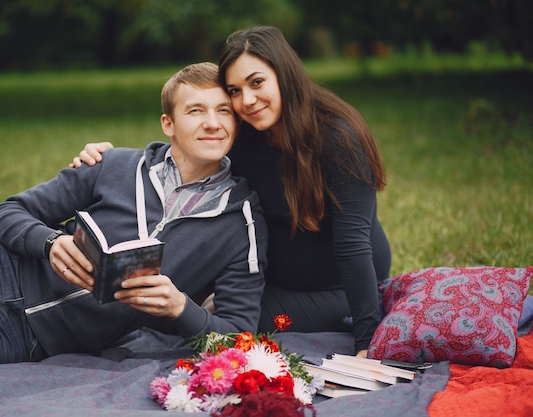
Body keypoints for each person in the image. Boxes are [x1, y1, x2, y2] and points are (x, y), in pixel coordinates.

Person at [0, 62, 267, 379]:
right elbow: (6, 214)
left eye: (223, 111)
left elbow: (237, 339)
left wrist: (180, 308)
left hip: (29, 339)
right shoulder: (114, 165)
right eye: (196, 111)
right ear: (168, 123)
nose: (212, 123)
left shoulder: (243, 223)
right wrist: (48, 243)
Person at [72, 26, 389, 356]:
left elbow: (353, 246)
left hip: (339, 287)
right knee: (173, 301)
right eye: (235, 91)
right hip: (267, 276)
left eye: (256, 83)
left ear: (285, 75)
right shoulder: (246, 135)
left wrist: (369, 345)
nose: (247, 101)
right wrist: (110, 159)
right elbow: (188, 151)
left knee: (233, 327)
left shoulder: (338, 139)